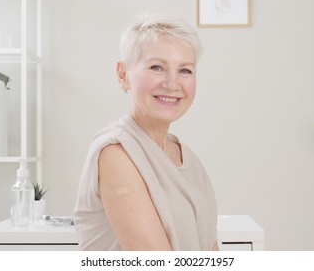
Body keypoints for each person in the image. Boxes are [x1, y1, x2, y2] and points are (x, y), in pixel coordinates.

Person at [74, 13, 218, 251]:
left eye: (185, 70)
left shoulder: (188, 159)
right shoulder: (115, 152)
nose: (173, 84)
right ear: (123, 74)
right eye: (156, 67)